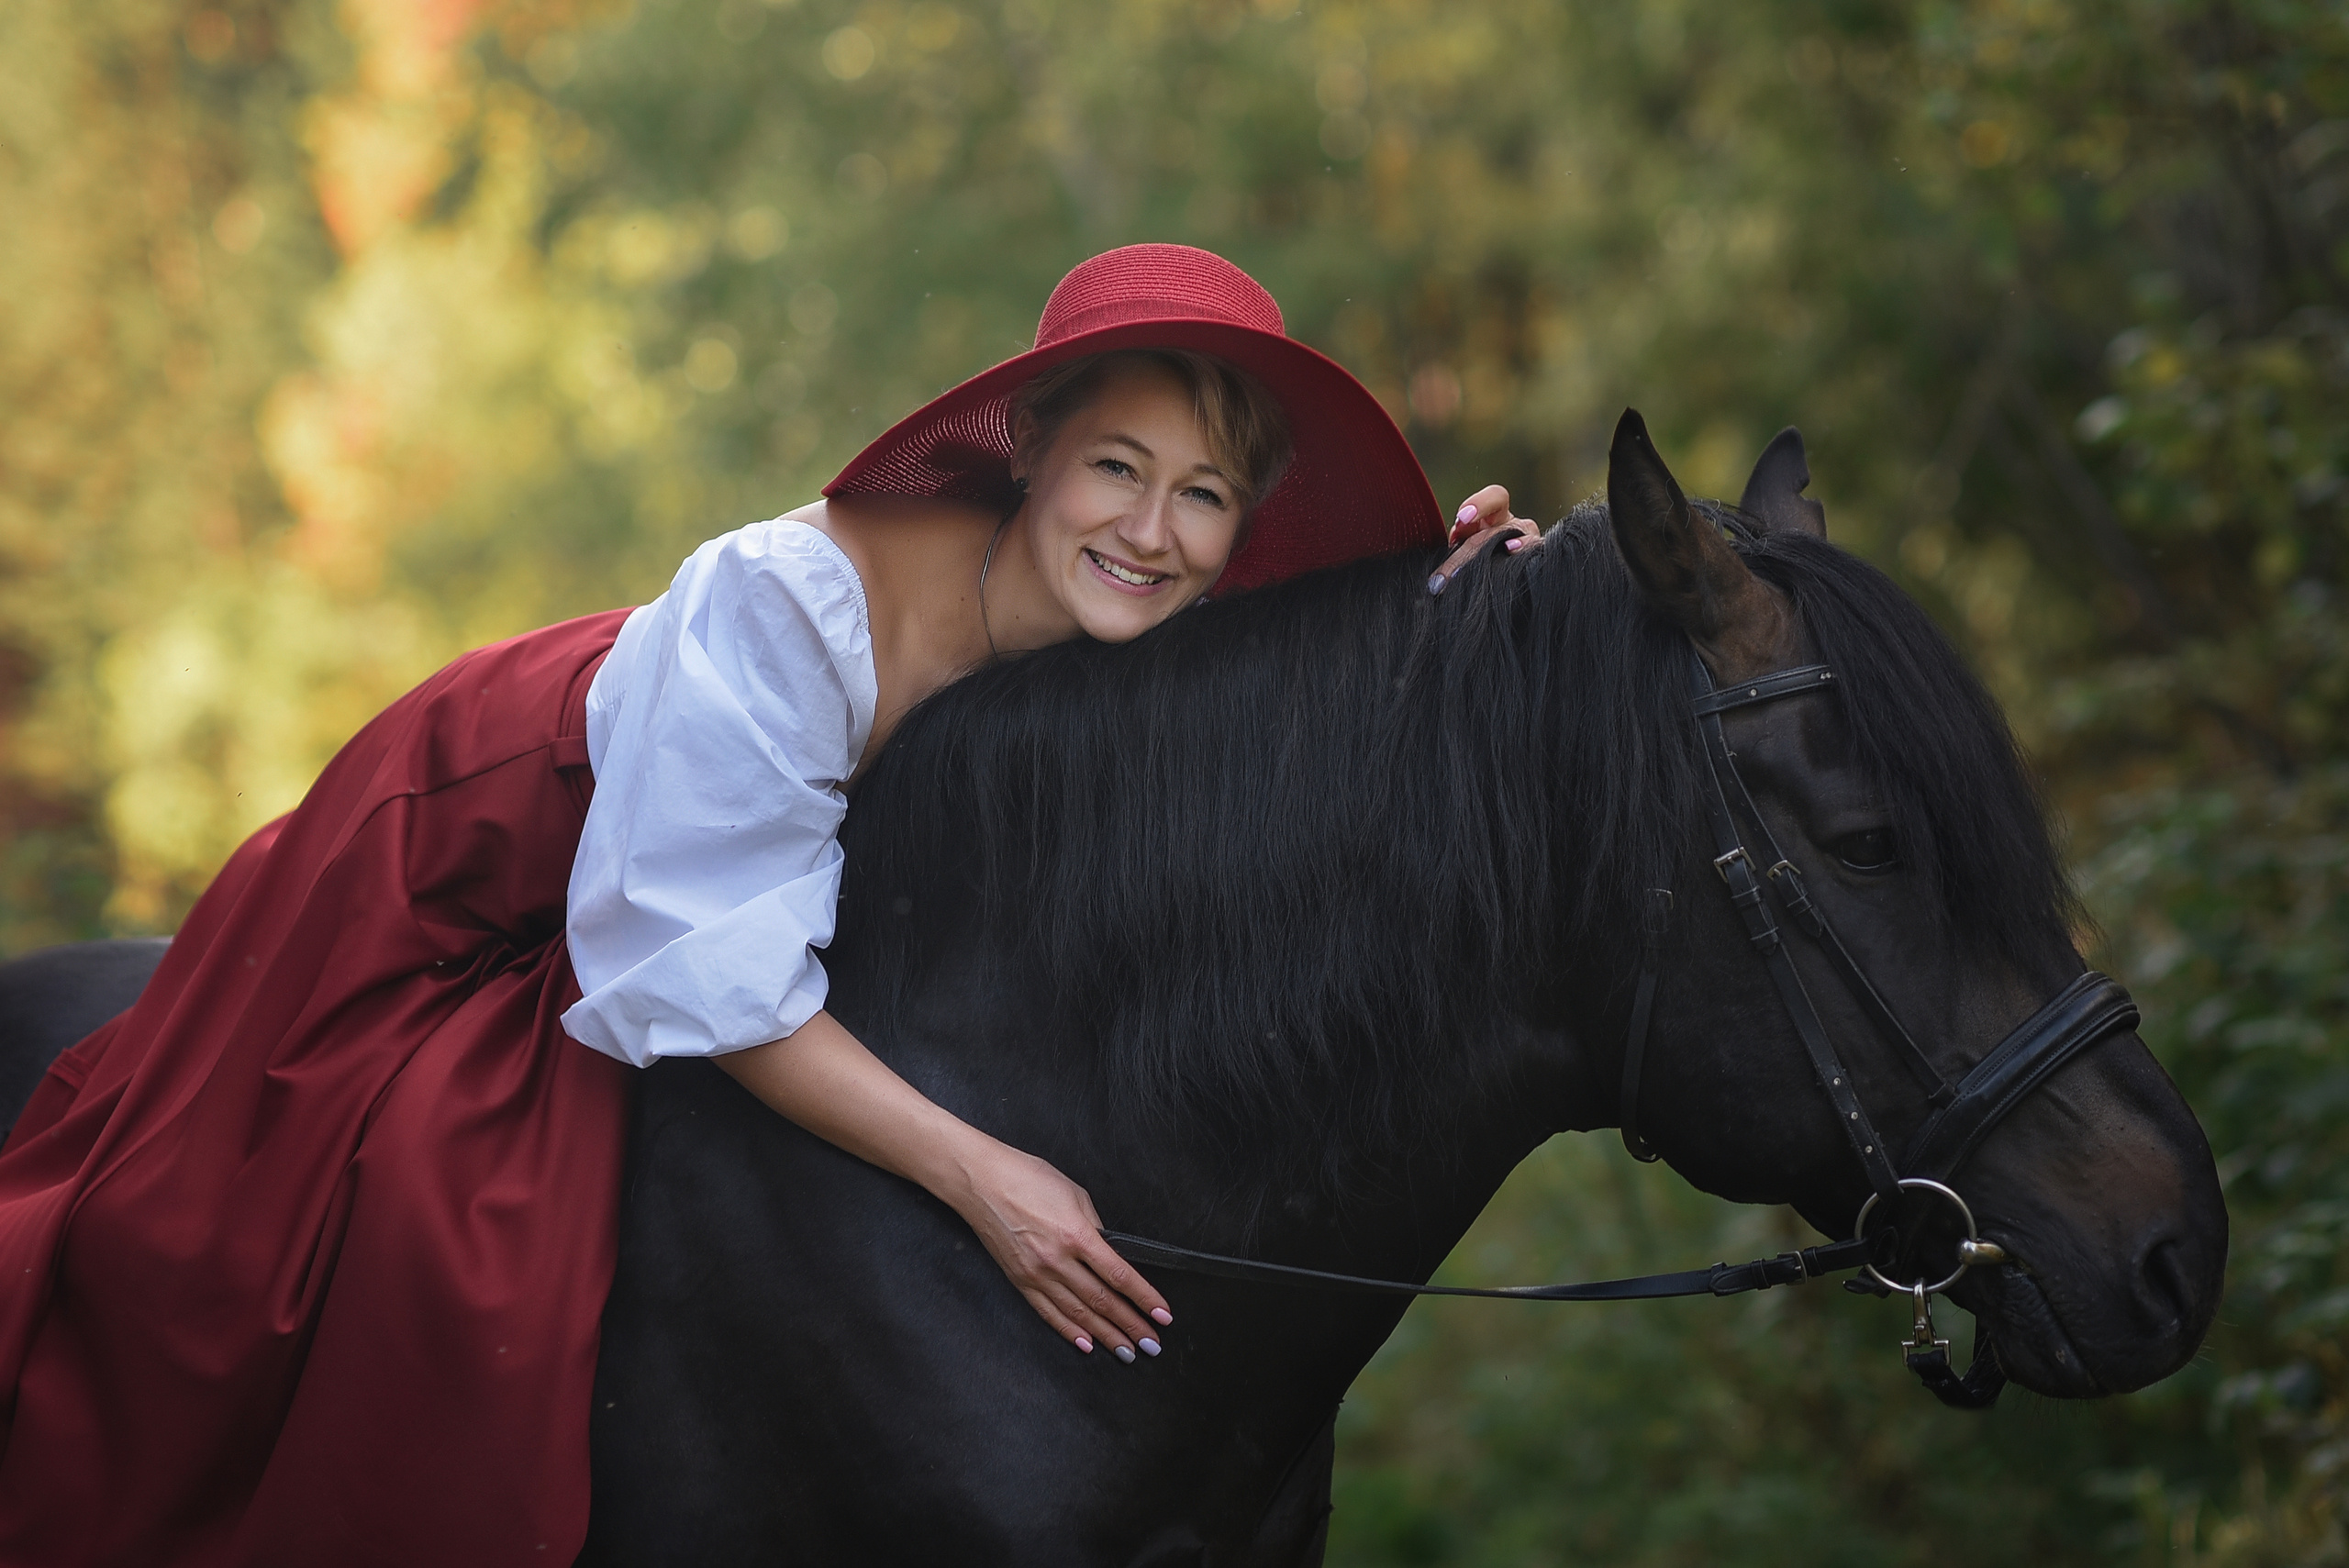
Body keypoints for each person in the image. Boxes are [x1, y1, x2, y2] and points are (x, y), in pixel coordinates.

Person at [0, 244, 1526, 1564]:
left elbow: (1298, 680)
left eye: (1203, 495)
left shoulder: (1129, 602)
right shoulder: (790, 606)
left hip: (694, 850)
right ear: (1035, 449)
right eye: (1119, 467)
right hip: (485, 841)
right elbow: (699, 965)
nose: (1150, 527)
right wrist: (985, 1177)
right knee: (307, 1232)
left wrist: (1466, 604)